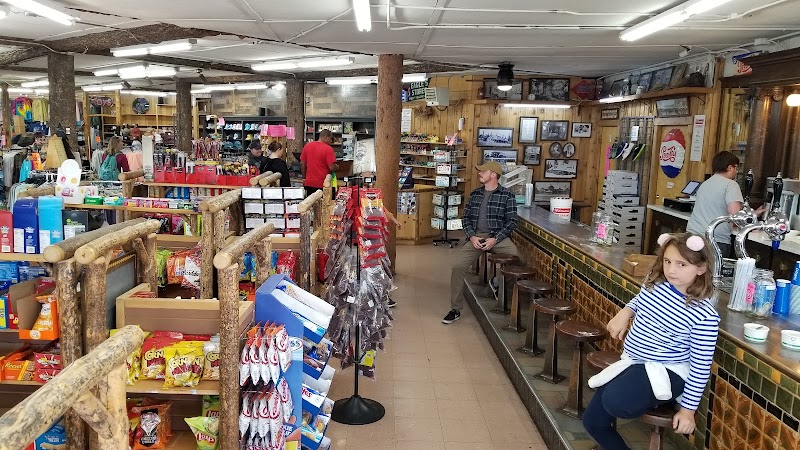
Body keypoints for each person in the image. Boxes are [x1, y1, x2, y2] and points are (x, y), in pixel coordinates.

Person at [582, 233, 720, 450]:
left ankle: (662, 397)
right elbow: (639, 300)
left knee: (615, 402)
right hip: (636, 362)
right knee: (592, 422)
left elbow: (701, 368)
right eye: (667, 261)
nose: (672, 269)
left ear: (701, 268)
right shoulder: (655, 285)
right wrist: (625, 312)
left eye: (682, 264)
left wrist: (687, 410)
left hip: (668, 371)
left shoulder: (704, 316)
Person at [443, 161, 519, 324]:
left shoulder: (507, 195)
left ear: (493, 175)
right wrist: (471, 236)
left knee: (517, 258)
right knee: (457, 266)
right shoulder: (475, 194)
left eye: (483, 171)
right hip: (476, 237)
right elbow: (466, 219)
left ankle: (497, 282)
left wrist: (496, 239)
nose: (480, 173)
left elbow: (512, 221)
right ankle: (455, 309)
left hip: (497, 237)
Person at [686, 151, 750, 258]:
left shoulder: (705, 183)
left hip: (692, 236)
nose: (736, 172)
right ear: (730, 168)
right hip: (714, 240)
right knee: (713, 273)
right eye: (736, 168)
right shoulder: (731, 185)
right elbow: (735, 215)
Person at [300, 129, 338, 197]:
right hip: (324, 185)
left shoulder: (307, 146)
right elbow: (331, 167)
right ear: (326, 137)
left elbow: (302, 164)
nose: (331, 141)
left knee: (310, 204)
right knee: (326, 206)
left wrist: (304, 178)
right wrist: (337, 167)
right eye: (330, 139)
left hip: (309, 183)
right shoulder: (328, 149)